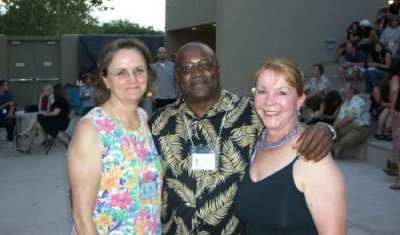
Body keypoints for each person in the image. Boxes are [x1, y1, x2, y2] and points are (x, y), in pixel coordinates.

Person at [149, 42, 335, 234]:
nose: (197, 73)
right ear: (177, 75)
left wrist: (325, 128)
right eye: (186, 68)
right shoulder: (158, 123)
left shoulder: (251, 112)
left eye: (206, 65)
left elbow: (290, 129)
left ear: (218, 68)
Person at [235, 58, 347, 234]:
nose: (269, 101)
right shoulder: (252, 143)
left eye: (282, 93)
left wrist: (326, 128)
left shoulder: (313, 157)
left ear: (300, 101)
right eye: (262, 91)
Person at [67, 38, 162, 234]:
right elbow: (82, 218)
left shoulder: (143, 119)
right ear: (105, 79)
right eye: (121, 73)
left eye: (139, 70)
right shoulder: (91, 129)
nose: (133, 79)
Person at [17, 84, 70, 154]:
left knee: (37, 117)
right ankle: (28, 146)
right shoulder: (58, 100)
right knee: (36, 124)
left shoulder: (61, 101)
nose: (53, 93)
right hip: (56, 121)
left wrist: (46, 114)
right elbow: (48, 110)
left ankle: (27, 140)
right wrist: (49, 100)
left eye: (54, 91)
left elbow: (55, 113)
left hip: (58, 124)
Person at [333, 82, 371, 158]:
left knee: (346, 140)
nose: (344, 90)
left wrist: (336, 127)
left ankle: (335, 152)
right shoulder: (345, 104)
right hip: (348, 127)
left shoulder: (358, 101)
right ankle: (331, 149)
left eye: (346, 89)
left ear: (352, 90)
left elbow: (349, 119)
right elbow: (339, 118)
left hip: (361, 129)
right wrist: (333, 128)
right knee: (331, 133)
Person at [388, 57, 400, 189]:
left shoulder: (395, 78)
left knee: (398, 149)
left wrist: (392, 107)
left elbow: (394, 90)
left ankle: (398, 180)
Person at [0, 80, 16, 148]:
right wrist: (6, 104)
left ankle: (10, 139)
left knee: (11, 119)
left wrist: (10, 113)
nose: (7, 87)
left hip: (6, 116)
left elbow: (13, 105)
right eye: (6, 85)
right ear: (1, 86)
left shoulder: (9, 95)